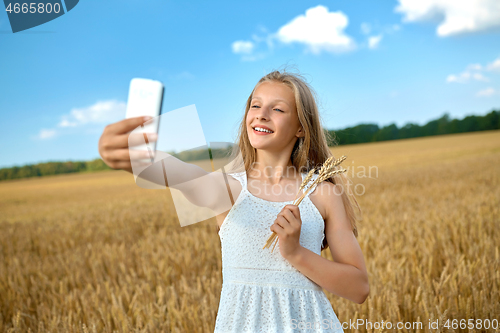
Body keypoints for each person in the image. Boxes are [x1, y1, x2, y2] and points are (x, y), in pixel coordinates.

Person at [98, 68, 369, 333]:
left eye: (277, 109)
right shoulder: (228, 189)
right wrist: (134, 158)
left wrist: (295, 253)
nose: (261, 115)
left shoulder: (322, 194)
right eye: (255, 106)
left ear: (300, 127)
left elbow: (359, 288)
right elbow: (180, 173)